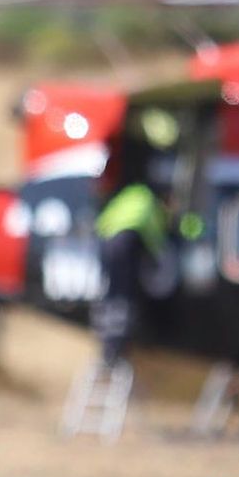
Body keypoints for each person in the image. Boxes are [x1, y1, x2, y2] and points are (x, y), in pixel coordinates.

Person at [90, 141, 167, 368]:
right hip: (126, 244)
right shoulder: (148, 199)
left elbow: (103, 222)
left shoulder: (126, 195)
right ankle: (116, 348)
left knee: (110, 295)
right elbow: (153, 232)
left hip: (107, 244)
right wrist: (158, 255)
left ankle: (107, 347)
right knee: (123, 297)